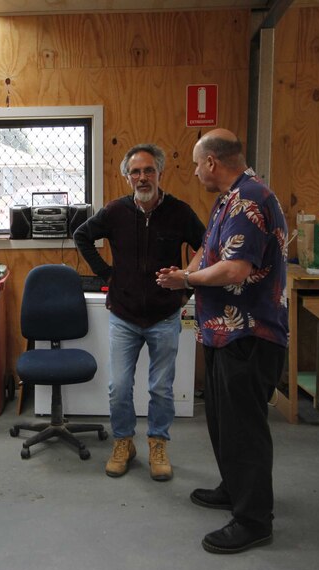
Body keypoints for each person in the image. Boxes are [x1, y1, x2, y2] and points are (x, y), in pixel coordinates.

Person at [156, 129, 288, 554]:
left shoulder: (249, 201)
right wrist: (182, 275)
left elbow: (233, 270)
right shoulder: (227, 202)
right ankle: (235, 490)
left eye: (196, 164)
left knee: (244, 429)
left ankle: (253, 520)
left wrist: (188, 279)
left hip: (248, 333)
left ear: (212, 162)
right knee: (223, 423)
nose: (194, 172)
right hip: (221, 333)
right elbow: (208, 253)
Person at [74, 143, 205, 481]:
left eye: (148, 170)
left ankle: (158, 443)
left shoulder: (179, 212)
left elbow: (207, 245)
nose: (142, 177)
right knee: (119, 386)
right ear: (127, 176)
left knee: (161, 388)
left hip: (165, 315)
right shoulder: (115, 211)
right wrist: (107, 274)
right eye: (136, 171)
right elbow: (82, 235)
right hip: (124, 314)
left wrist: (187, 282)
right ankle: (124, 442)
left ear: (160, 173)